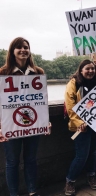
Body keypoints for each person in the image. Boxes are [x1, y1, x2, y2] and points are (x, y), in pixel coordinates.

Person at [0, 37, 52, 196]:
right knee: (12, 162)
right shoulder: (2, 73)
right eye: (19, 47)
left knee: (31, 160)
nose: (23, 50)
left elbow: (41, 100)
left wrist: (46, 121)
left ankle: (32, 191)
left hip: (33, 124)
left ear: (29, 50)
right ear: (12, 51)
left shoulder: (38, 72)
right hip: (10, 125)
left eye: (26, 47)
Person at [64, 59, 96, 195]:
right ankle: (70, 180)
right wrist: (80, 123)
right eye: (87, 69)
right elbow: (70, 106)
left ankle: (91, 176)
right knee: (81, 155)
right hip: (80, 126)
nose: (90, 71)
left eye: (92, 69)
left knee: (93, 152)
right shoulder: (74, 84)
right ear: (81, 70)